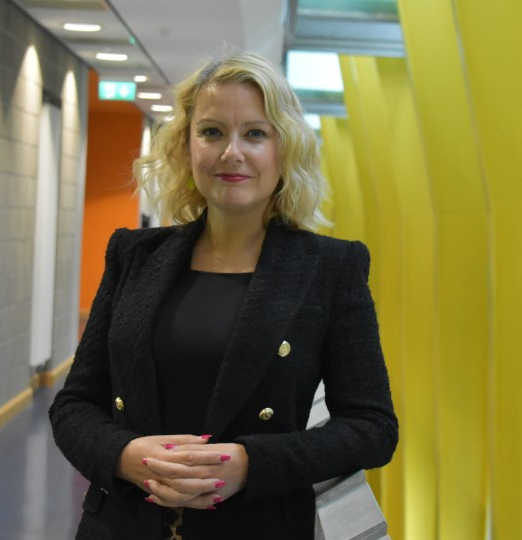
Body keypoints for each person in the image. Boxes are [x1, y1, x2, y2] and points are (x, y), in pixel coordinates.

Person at [49, 51, 398, 539]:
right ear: (186, 146)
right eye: (212, 132)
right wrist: (127, 458)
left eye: (255, 133)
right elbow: (74, 405)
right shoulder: (133, 255)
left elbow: (372, 426)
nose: (231, 151)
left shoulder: (331, 268)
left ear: (285, 148)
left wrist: (251, 463)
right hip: (124, 525)